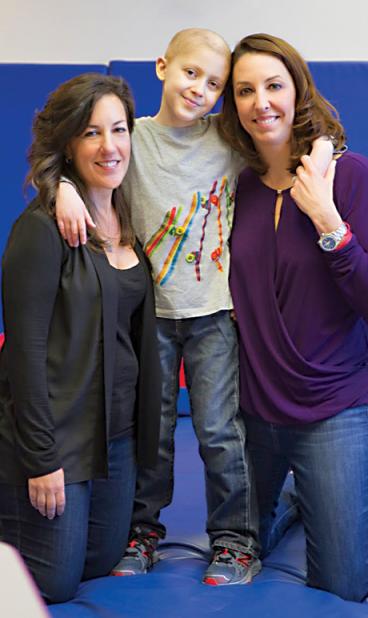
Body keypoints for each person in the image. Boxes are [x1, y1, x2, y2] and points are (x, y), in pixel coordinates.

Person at [54, 28, 333, 586]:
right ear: (162, 67)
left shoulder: (230, 142)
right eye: (190, 74)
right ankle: (142, 531)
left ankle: (234, 539)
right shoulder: (131, 139)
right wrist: (62, 184)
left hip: (214, 314)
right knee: (150, 433)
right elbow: (81, 159)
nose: (200, 89)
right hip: (149, 317)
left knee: (218, 431)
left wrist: (325, 148)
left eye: (214, 83)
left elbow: (298, 136)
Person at [218, 32, 368, 602]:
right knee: (241, 546)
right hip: (256, 410)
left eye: (274, 85)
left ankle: (317, 495)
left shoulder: (351, 177)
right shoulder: (237, 186)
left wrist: (327, 221)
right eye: (245, 90)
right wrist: (68, 184)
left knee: (343, 584)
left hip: (334, 409)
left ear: (298, 90)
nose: (260, 102)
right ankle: (299, 500)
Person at [0, 73, 161, 604]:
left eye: (119, 130)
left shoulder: (131, 213)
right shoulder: (43, 229)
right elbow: (23, 353)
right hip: (57, 440)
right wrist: (41, 459)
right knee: (55, 583)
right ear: (69, 142)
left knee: (102, 560)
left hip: (115, 439)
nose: (109, 146)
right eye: (91, 133)